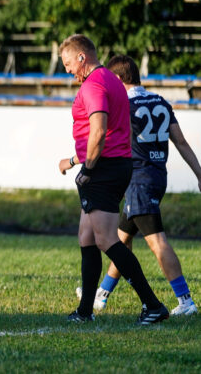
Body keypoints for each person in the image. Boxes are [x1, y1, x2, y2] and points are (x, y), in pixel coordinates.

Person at [77, 55, 201, 315]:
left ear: (119, 78)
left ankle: (185, 300)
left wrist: (76, 159)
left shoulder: (124, 105)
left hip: (138, 177)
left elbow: (106, 141)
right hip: (157, 176)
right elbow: (180, 142)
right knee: (120, 237)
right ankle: (102, 293)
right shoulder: (160, 102)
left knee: (156, 241)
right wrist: (199, 174)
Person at [57, 34, 168, 325]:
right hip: (116, 166)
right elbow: (120, 132)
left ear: (82, 58)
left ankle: (153, 305)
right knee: (87, 237)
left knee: (107, 239)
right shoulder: (110, 80)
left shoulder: (93, 85)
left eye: (68, 63)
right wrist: (76, 161)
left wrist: (89, 170)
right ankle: (85, 311)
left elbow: (99, 131)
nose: (67, 70)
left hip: (104, 170)